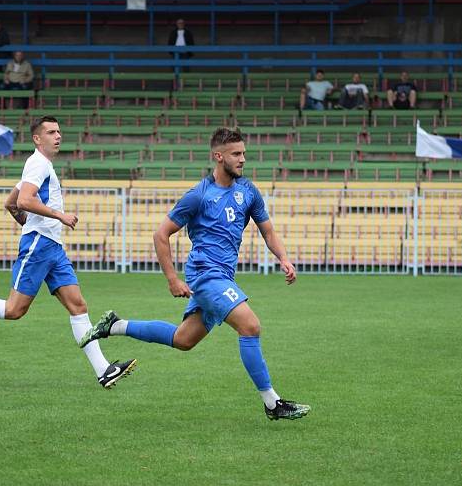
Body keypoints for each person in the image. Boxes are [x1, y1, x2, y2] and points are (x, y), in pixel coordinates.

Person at [79, 127, 310, 421]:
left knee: (183, 339)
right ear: (218, 156)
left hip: (223, 277)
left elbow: (268, 230)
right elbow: (161, 234)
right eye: (236, 154)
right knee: (250, 326)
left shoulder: (248, 191)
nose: (242, 160)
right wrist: (173, 279)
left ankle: (115, 325)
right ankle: (272, 403)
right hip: (205, 275)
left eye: (244, 154)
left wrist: (284, 258)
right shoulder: (199, 195)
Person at [0, 116, 137, 389]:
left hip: (52, 247)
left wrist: (24, 220)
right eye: (51, 132)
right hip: (40, 244)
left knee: (78, 305)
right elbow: (25, 200)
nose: (58, 136)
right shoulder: (37, 163)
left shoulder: (40, 165)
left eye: (59, 131)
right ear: (37, 139)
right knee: (14, 310)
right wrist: (57, 215)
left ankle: (103, 370)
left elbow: (12, 202)